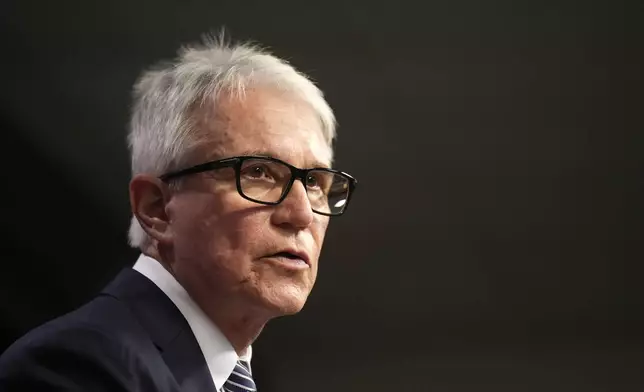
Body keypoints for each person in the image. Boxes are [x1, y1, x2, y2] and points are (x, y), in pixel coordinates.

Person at [0, 34, 357, 391]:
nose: (301, 215)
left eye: (313, 182)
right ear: (156, 208)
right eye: (258, 172)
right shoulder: (79, 366)